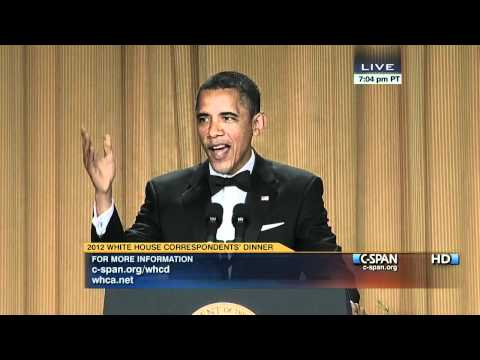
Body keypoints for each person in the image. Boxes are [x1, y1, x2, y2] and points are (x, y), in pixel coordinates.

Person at [81, 71, 362, 312]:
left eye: (227, 118)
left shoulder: (298, 190)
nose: (212, 131)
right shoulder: (165, 193)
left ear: (257, 124)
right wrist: (103, 194)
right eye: (204, 119)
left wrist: (346, 302)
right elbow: (120, 269)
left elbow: (330, 271)